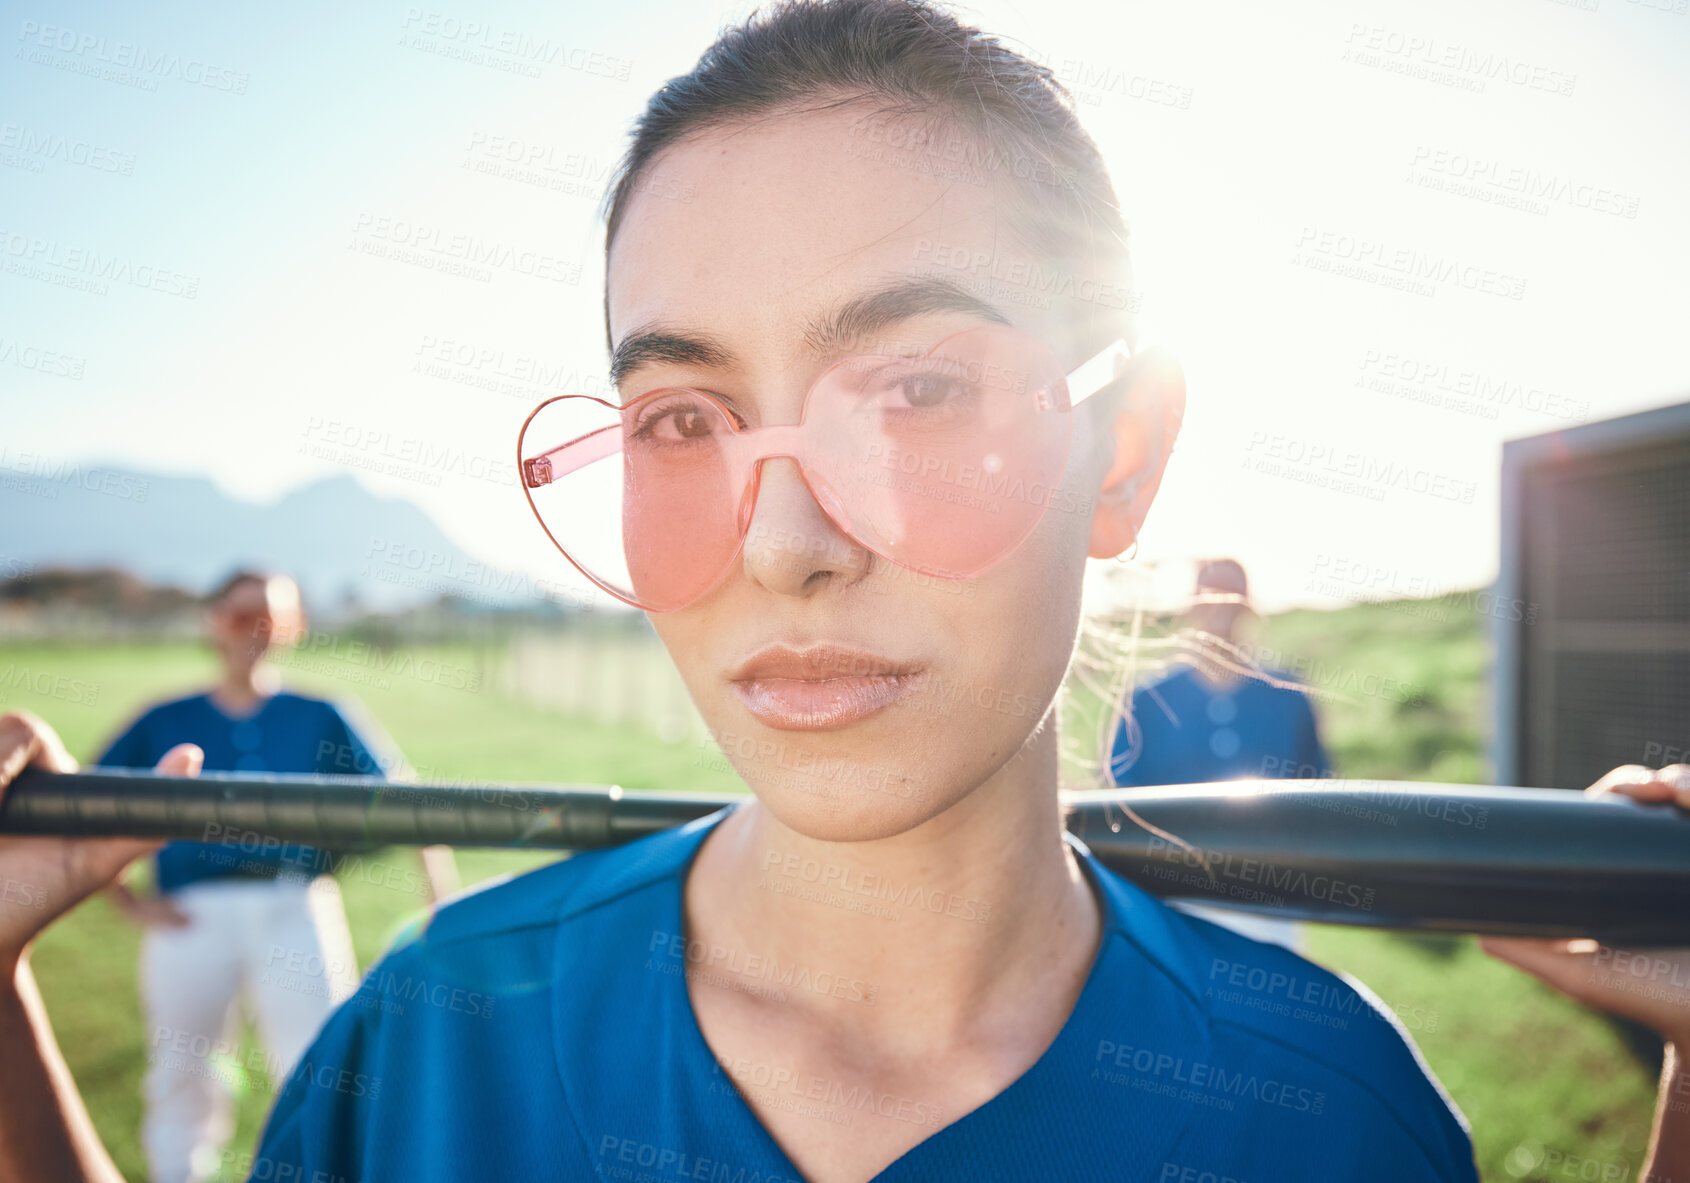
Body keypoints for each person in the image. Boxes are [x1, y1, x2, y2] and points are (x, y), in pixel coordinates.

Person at [0, 3, 1685, 1181]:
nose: (783, 540)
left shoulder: (1329, 1110)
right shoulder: (435, 1035)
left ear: (1124, 452)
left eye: (916, 391)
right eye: (682, 418)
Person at [92, 570, 459, 1183]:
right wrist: (124, 900)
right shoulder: (163, 718)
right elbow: (87, 802)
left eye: (272, 619)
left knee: (319, 1071)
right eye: (241, 616)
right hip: (193, 914)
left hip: (296, 904)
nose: (255, 633)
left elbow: (404, 800)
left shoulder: (322, 715)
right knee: (182, 1072)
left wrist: (440, 899)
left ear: (294, 628)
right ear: (214, 622)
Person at [1109, 558, 1330, 952]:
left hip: (1269, 891)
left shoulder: (1287, 695)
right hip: (1174, 895)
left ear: (1249, 607)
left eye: (1231, 600)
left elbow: (1318, 787)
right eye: (1210, 599)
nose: (1220, 613)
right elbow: (1120, 795)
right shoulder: (1150, 699)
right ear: (1192, 606)